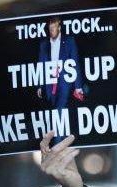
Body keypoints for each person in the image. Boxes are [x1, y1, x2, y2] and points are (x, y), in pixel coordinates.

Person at [36, 15, 84, 144]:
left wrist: (78, 86)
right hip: (49, 81)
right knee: (53, 109)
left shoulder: (69, 41)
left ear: (59, 28)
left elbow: (75, 63)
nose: (52, 31)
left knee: (60, 108)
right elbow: (41, 64)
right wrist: (40, 85)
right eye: (49, 29)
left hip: (64, 81)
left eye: (54, 28)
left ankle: (58, 141)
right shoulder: (44, 44)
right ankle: (58, 136)